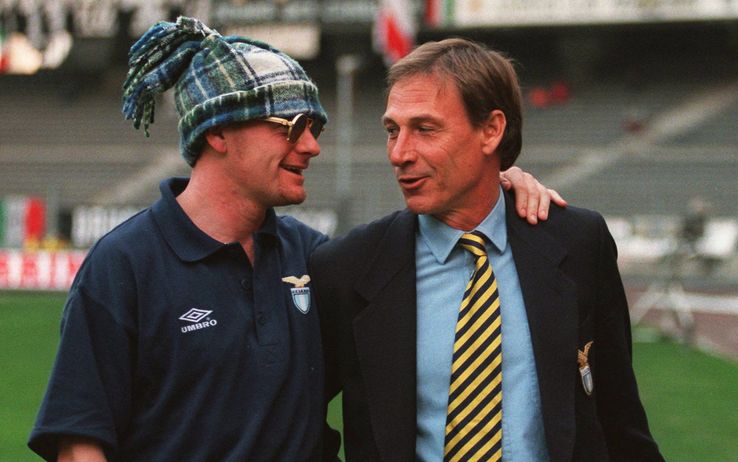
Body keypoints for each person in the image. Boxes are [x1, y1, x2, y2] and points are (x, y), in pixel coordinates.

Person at [28, 18, 561, 462]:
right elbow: (80, 441)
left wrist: (500, 181)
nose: (311, 146)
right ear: (217, 132)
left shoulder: (316, 259)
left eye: (315, 129)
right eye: (291, 125)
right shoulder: (124, 263)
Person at [310, 38, 664, 461]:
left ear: (491, 130)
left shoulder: (578, 243)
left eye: (425, 129)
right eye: (392, 131)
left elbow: (621, 423)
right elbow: (298, 428)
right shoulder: (347, 267)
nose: (399, 153)